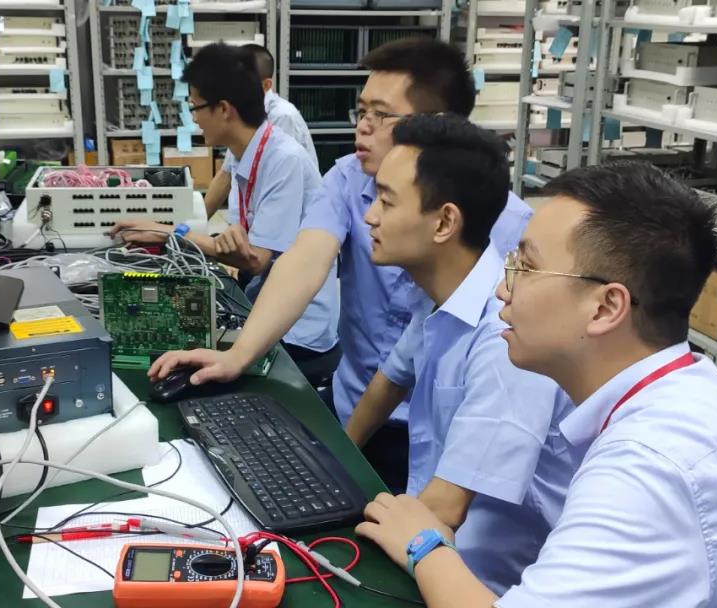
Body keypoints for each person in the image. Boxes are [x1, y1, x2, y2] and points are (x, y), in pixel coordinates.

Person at [353, 162, 717, 607]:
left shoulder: (650, 464)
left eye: (526, 267)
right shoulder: (679, 388)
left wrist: (424, 544)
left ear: (606, 307)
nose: (503, 288)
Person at [149, 38, 534, 492]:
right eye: (361, 111)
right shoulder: (348, 178)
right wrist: (239, 355)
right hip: (358, 404)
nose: (363, 128)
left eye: (380, 115)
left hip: (448, 439)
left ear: (437, 127)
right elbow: (303, 263)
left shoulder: (508, 226)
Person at [344, 113, 575, 593]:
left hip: (481, 582)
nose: (370, 216)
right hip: (432, 541)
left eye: (387, 201)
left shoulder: (504, 338)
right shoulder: (439, 296)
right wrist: (336, 459)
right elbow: (389, 380)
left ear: (445, 221)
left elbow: (446, 509)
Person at [109, 43, 339, 376]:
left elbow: (255, 259)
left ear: (224, 109)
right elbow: (239, 242)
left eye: (195, 107)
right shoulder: (245, 149)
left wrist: (169, 232)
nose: (194, 118)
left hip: (296, 329)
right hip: (261, 303)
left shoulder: (284, 159)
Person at [203, 43, 317, 219]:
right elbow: (226, 174)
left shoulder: (282, 116)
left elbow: (280, 189)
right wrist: (194, 224)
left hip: (276, 225)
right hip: (245, 226)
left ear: (266, 85)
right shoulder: (241, 115)